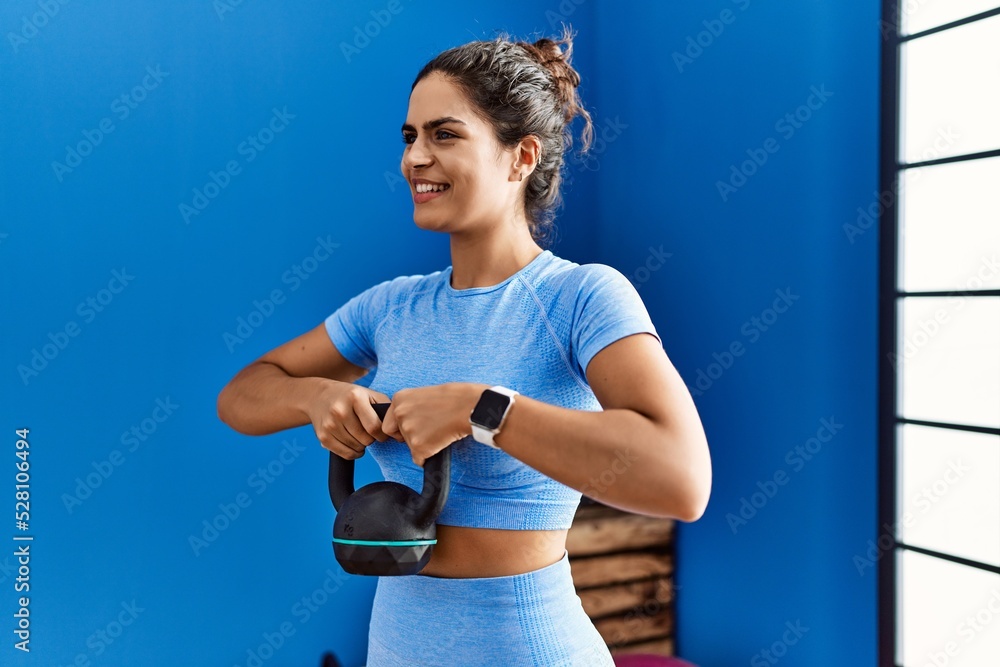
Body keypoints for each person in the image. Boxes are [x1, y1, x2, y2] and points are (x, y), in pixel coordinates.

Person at [217, 24, 712, 667]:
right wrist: (317, 397)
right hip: (396, 646)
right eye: (409, 136)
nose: (414, 158)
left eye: (444, 134)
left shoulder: (582, 298)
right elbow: (241, 397)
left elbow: (681, 478)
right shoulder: (390, 306)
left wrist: (482, 410)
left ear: (521, 157)